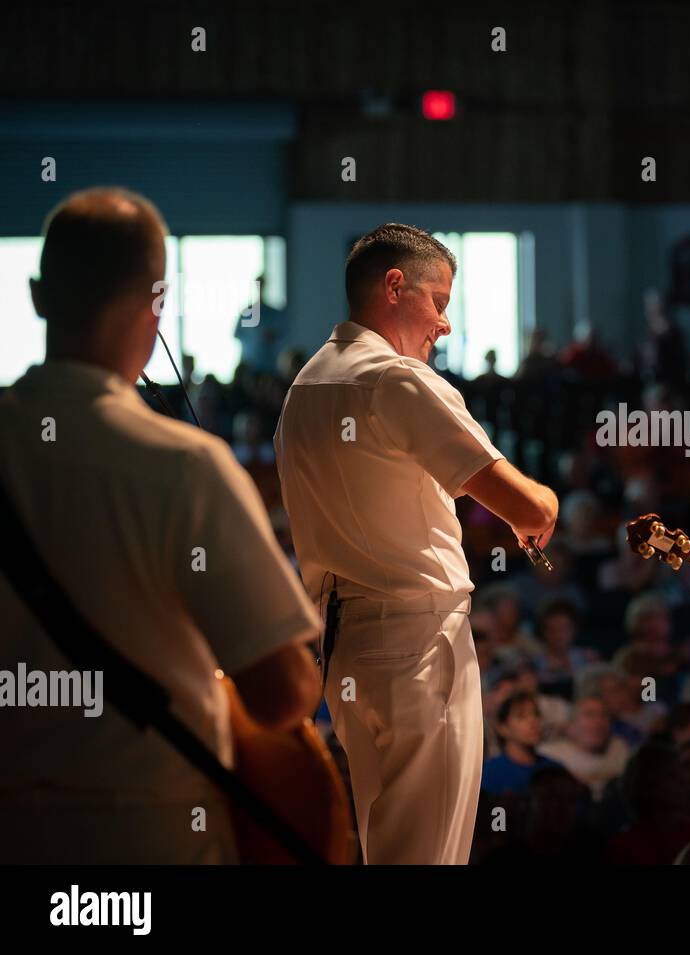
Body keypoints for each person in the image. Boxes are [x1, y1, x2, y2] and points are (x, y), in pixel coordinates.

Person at [0, 187, 322, 863]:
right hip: (149, 833)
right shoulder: (183, 467)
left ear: (36, 295)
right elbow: (282, 694)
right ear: (157, 305)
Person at [274, 222, 558, 864]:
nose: (444, 325)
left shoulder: (305, 387)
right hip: (415, 639)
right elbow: (527, 504)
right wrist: (546, 504)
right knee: (425, 854)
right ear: (395, 287)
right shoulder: (395, 380)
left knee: (388, 845)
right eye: (440, 302)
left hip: (345, 645)